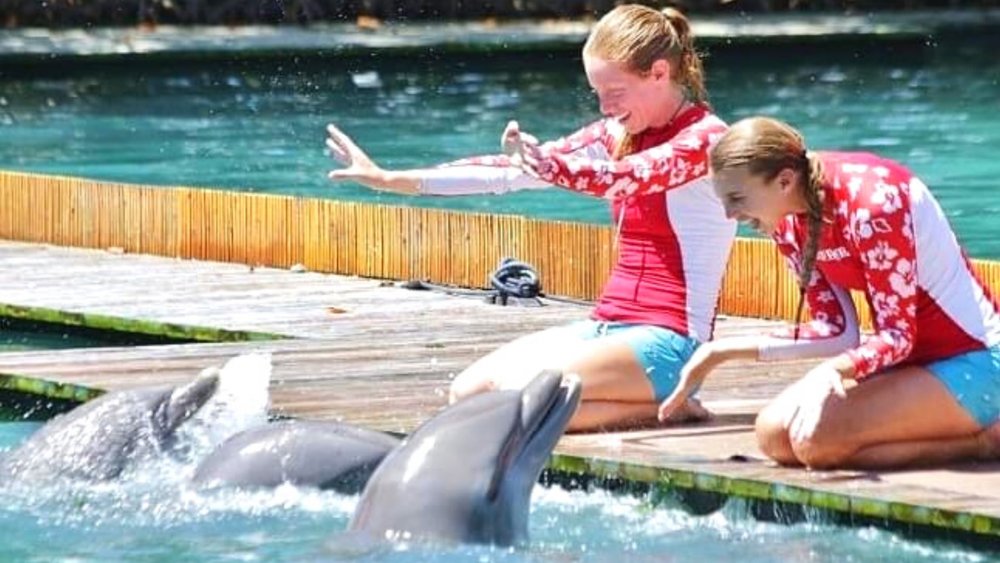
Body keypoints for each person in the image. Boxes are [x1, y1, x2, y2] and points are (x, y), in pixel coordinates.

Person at [327, 4, 736, 431]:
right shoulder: (615, 134)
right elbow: (508, 171)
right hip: (608, 328)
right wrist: (388, 178)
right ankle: (667, 405)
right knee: (469, 393)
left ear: (658, 72)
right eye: (597, 92)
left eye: (614, 92)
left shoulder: (707, 141)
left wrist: (543, 164)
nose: (605, 106)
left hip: (673, 343)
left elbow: (623, 178)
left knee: (526, 395)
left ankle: (675, 400)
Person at [658, 116, 1000, 469]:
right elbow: (836, 330)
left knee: (816, 444)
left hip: (977, 358)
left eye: (737, 198)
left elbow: (898, 335)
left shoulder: (874, 204)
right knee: (773, 434)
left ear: (784, 180)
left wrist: (835, 370)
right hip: (910, 362)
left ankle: (984, 441)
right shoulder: (787, 219)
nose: (730, 215)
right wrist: (720, 352)